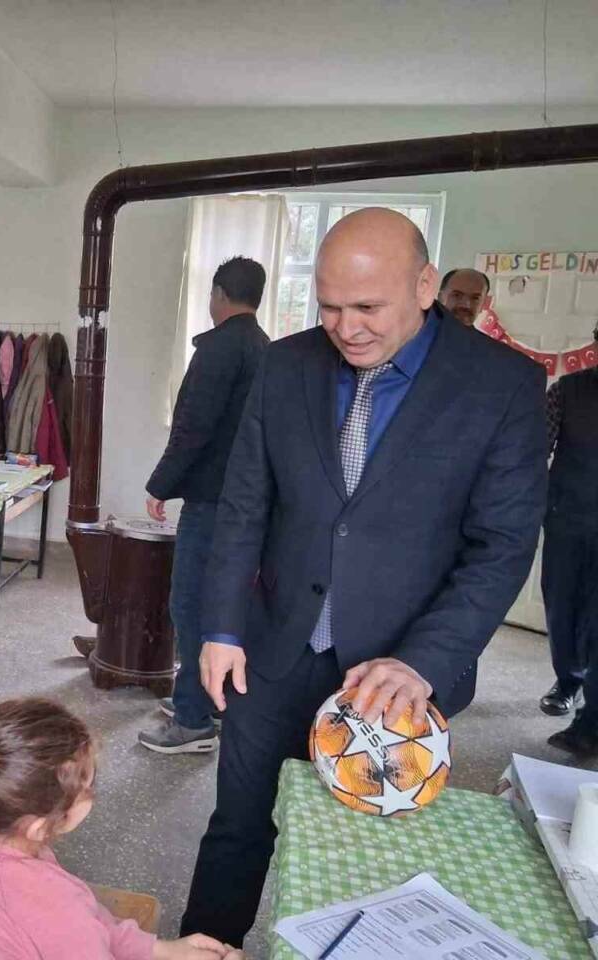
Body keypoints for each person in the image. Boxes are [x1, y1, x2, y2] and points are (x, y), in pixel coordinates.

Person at [180, 208, 546, 947]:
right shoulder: (285, 364)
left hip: (399, 674)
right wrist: (220, 627)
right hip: (272, 652)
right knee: (236, 829)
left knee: (367, 855)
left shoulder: (503, 384)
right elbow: (245, 505)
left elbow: (501, 545)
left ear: (424, 286)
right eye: (329, 306)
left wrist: (424, 661)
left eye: (368, 307)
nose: (346, 328)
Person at [0, 697, 243, 960]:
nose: (93, 792)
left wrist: (158, 949)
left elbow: (90, 926)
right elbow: (74, 927)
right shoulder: (56, 906)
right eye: (86, 786)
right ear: (40, 827)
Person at [139, 257, 270, 756]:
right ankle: (206, 697)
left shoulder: (219, 348)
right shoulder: (264, 347)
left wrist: (160, 485)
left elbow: (194, 427)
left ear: (219, 294)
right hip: (245, 503)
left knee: (191, 605)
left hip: (212, 501)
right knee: (223, 603)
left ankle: (192, 720)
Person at [539, 326, 598, 746]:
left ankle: (591, 720)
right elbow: (534, 450)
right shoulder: (567, 390)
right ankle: (567, 680)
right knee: (562, 607)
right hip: (567, 520)